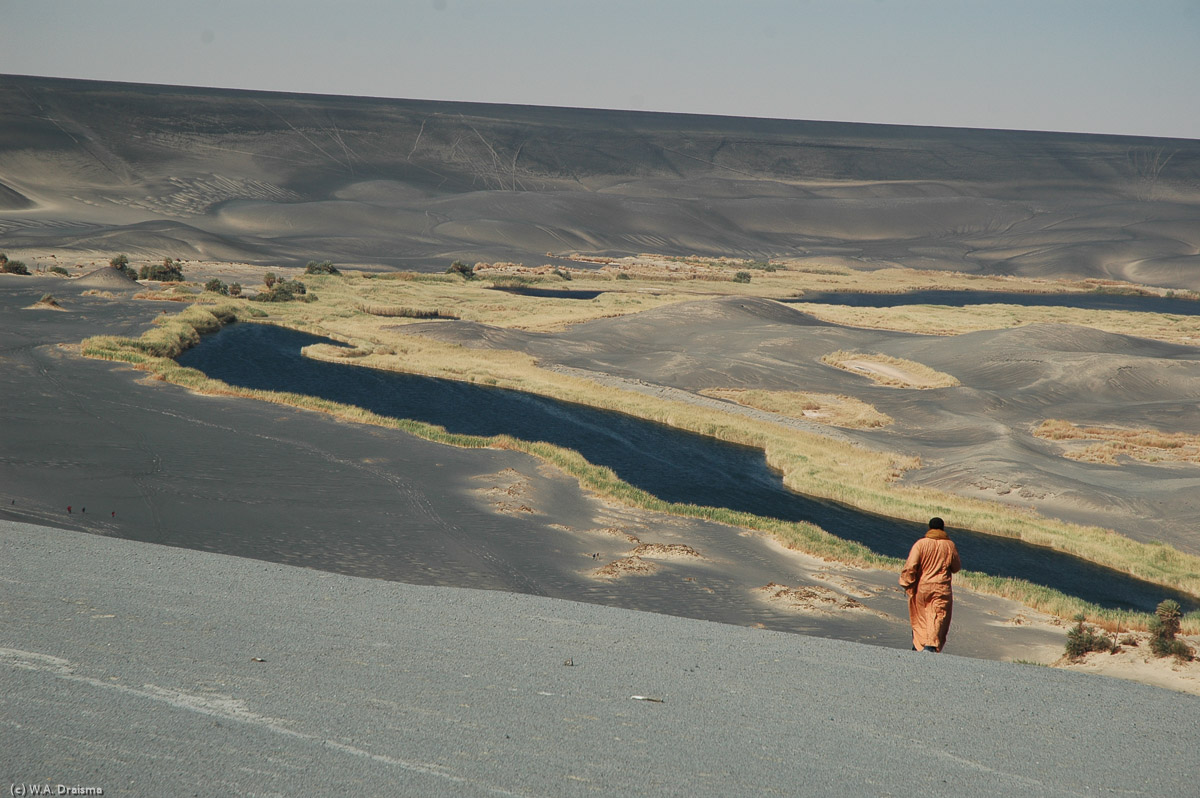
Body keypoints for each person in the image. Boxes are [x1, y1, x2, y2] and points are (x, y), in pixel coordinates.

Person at [899, 517, 961, 653]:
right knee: (938, 615)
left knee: (922, 617)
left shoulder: (920, 544)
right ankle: (930, 646)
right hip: (942, 588)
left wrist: (906, 582)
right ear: (943, 528)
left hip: (923, 587)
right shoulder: (950, 545)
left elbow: (910, 566)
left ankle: (918, 646)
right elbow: (956, 567)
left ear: (929, 528)